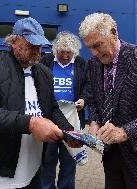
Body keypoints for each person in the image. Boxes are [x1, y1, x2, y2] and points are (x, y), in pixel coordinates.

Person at [0, 17, 79, 189]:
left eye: (39, 45)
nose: (37, 50)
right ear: (14, 41)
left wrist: (68, 132)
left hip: (33, 174)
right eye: (31, 44)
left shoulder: (44, 73)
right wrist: (30, 123)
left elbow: (52, 108)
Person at [79, 13, 137, 189]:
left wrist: (125, 132)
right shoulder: (93, 64)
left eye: (97, 45)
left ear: (113, 33)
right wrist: (94, 122)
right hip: (111, 156)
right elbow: (93, 99)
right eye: (89, 47)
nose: (94, 53)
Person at [40, 31, 88, 189]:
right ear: (56, 50)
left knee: (69, 160)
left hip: (73, 120)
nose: (66, 56)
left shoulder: (81, 63)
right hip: (50, 120)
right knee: (48, 159)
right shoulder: (46, 61)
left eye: (69, 52)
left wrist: (84, 99)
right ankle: (47, 186)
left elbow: (89, 86)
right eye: (62, 52)